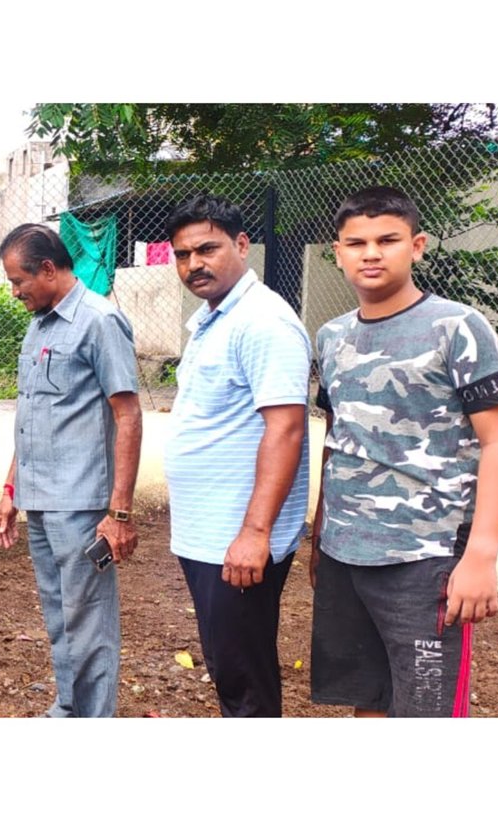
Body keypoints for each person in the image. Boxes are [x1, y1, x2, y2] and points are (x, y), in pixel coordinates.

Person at [311, 186, 498, 718]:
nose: (371, 253)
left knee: (427, 709)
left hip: (425, 560)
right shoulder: (330, 337)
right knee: (367, 700)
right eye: (356, 242)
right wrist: (321, 534)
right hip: (344, 552)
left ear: (418, 245)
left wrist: (481, 556)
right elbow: (340, 436)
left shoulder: (458, 327)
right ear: (337, 253)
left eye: (388, 240)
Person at [163, 194, 310, 717]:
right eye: (182, 254)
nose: (193, 264)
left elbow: (287, 428)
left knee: (242, 675)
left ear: (242, 245)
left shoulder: (263, 321)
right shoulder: (216, 319)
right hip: (210, 533)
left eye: (207, 249)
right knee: (230, 665)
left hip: (238, 536)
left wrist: (254, 533)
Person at [0, 223, 141, 718]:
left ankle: (93, 719)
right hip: (39, 498)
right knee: (59, 616)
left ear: (50, 269)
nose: (15, 293)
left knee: (89, 621)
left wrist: (118, 512)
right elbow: (31, 414)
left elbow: (128, 415)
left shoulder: (100, 321)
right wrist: (12, 488)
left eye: (19, 281)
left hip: (80, 504)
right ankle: (69, 708)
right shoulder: (40, 324)